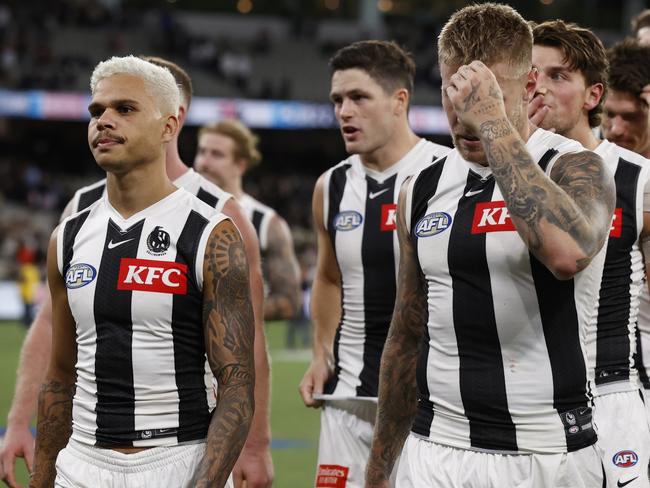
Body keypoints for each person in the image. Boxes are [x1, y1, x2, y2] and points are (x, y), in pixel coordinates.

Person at [365, 4, 616, 488]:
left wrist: (495, 125)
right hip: (434, 450)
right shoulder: (419, 188)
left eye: (487, 97)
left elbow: (567, 254)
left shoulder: (575, 166)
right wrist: (378, 471)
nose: (466, 116)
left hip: (544, 453)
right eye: (456, 94)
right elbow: (406, 334)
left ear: (528, 89)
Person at [0, 58, 273, 488]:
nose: (104, 121)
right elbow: (59, 376)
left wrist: (207, 481)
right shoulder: (68, 236)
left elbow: (237, 383)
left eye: (124, 109)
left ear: (168, 127)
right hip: (81, 463)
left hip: (176, 459)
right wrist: (44, 477)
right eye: (96, 111)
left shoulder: (211, 233)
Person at [298, 40, 450, 487]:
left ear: (399, 100)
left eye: (359, 97)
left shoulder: (445, 174)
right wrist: (320, 351)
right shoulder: (331, 186)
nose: (344, 111)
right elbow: (328, 277)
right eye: (337, 100)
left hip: (426, 405)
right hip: (347, 400)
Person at [531, 20, 650, 488]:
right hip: (528, 399)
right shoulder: (496, 180)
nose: (539, 87)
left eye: (558, 75)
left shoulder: (637, 180)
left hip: (613, 391)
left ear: (592, 96)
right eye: (531, 74)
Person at [194, 119, 301, 322]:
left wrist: (225, 312)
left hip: (239, 349)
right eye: (201, 152)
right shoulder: (177, 207)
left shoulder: (266, 222)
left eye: (216, 154)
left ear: (240, 165)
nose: (204, 163)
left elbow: (289, 301)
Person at [602, 41, 650, 424]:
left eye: (632, 117)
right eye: (609, 115)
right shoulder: (585, 167)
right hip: (610, 375)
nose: (616, 130)